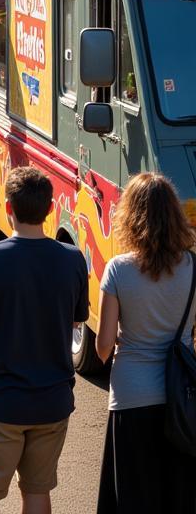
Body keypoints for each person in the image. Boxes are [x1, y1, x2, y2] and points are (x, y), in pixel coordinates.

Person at [0, 166, 89, 514]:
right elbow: (76, 319)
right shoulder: (72, 259)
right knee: (37, 493)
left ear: (9, 208)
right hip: (53, 401)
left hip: (1, 400)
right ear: (49, 210)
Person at [95, 173, 196, 513]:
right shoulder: (193, 267)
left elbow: (103, 347)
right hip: (181, 400)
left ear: (130, 216)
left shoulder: (118, 270)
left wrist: (127, 335)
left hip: (131, 397)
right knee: (176, 497)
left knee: (134, 499)